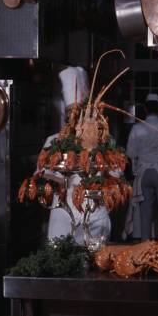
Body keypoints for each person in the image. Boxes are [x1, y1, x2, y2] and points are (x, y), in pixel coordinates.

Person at [44, 66, 111, 243]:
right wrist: (67, 180)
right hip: (62, 212)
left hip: (95, 210)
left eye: (78, 113)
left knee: (96, 261)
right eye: (69, 114)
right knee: (59, 260)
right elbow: (43, 175)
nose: (74, 119)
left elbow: (115, 176)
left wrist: (99, 177)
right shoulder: (53, 141)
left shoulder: (105, 141)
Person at [125, 93, 158, 240]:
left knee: (145, 212)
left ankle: (145, 243)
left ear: (145, 109)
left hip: (144, 173)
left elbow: (130, 152)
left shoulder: (137, 128)